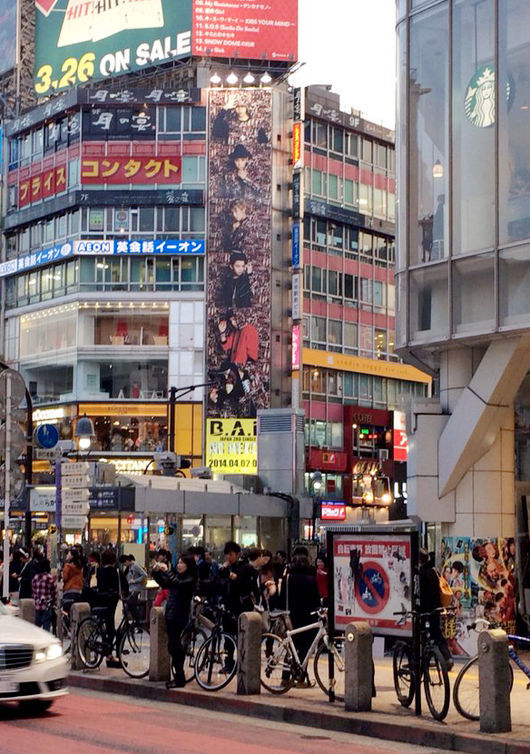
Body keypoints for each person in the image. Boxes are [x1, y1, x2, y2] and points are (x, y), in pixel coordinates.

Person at [152, 554, 197, 687]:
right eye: (178, 562)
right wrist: (156, 573)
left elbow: (177, 584)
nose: (179, 565)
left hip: (180, 615)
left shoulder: (190, 578)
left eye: (182, 563)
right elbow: (165, 583)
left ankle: (180, 677)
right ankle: (178, 676)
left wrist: (167, 571)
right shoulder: (178, 576)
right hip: (171, 614)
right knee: (173, 646)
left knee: (175, 646)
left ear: (188, 565)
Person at [218, 541, 256, 671]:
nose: (228, 557)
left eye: (231, 554)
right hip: (228, 605)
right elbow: (220, 583)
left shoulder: (246, 567)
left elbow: (248, 586)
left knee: (242, 636)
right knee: (228, 636)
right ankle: (229, 663)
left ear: (238, 554)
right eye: (227, 555)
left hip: (241, 606)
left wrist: (235, 578)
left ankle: (242, 663)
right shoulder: (226, 568)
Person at [418, 549, 453, 669]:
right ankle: (447, 658)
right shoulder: (434, 571)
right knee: (436, 633)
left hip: (425, 609)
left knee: (423, 632)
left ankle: (425, 659)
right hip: (436, 607)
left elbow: (421, 593)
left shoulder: (421, 573)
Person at [96, 549, 124, 667]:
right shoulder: (116, 572)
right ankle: (114, 656)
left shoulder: (99, 571)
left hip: (101, 602)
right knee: (116, 629)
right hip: (114, 603)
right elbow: (124, 586)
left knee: (108, 628)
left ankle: (108, 654)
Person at [32, 558, 56, 632]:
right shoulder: (50, 578)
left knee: (37, 625)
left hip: (37, 604)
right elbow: (54, 590)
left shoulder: (35, 577)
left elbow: (33, 591)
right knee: (46, 624)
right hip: (47, 605)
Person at [123, 554, 147, 622]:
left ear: (127, 561)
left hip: (136, 589)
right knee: (129, 606)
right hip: (131, 589)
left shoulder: (135, 565)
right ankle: (135, 620)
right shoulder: (130, 567)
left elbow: (144, 575)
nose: (125, 565)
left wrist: (135, 581)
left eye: (124, 563)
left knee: (131, 604)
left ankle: (137, 621)